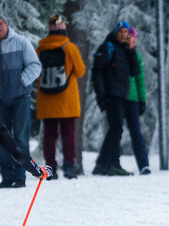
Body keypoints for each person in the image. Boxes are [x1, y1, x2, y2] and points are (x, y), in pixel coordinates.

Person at [0, 14, 41, 188]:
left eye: (1, 23)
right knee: (0, 139)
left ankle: (20, 176)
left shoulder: (21, 42)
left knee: (21, 138)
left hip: (20, 98)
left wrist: (21, 81)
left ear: (6, 25)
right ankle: (6, 176)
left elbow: (35, 65)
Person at [35, 13, 87, 179]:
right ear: (63, 29)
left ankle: (50, 168)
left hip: (46, 97)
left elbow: (35, 72)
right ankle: (69, 166)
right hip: (67, 98)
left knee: (49, 134)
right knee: (68, 133)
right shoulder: (70, 48)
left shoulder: (40, 49)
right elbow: (80, 71)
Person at [91, 20, 140, 175]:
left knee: (115, 128)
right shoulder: (107, 47)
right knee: (116, 128)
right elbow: (97, 72)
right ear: (115, 32)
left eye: (126, 32)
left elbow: (135, 71)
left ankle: (101, 164)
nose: (123, 35)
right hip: (111, 94)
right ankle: (113, 164)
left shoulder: (125, 50)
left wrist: (131, 49)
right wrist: (101, 95)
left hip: (122, 94)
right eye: (120, 32)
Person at [123, 27, 151, 174]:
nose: (130, 40)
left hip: (132, 99)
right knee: (114, 131)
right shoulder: (118, 53)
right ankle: (108, 163)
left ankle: (144, 164)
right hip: (118, 98)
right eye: (128, 37)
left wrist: (142, 100)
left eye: (132, 37)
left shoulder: (137, 56)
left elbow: (140, 80)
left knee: (136, 132)